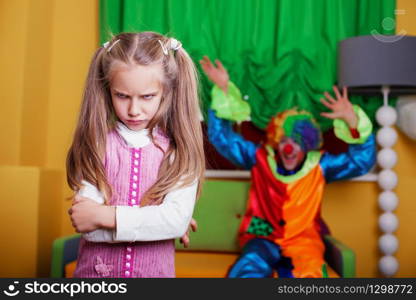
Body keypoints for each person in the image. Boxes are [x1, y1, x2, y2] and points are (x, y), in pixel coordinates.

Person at [200, 56, 376, 278]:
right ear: (276, 141)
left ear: (308, 145)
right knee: (248, 267)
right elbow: (223, 138)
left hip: (303, 238)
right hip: (262, 236)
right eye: (284, 141)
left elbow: (361, 161)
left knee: (311, 272)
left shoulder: (320, 165)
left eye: (297, 142)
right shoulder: (260, 157)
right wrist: (223, 89)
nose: (289, 148)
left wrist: (353, 122)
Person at [66, 32, 205, 278]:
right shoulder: (96, 145)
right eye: (122, 96)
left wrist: (106, 216)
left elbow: (175, 222)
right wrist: (156, 224)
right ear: (108, 90)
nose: (133, 110)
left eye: (147, 97)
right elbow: (88, 228)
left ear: (167, 92)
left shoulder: (178, 152)